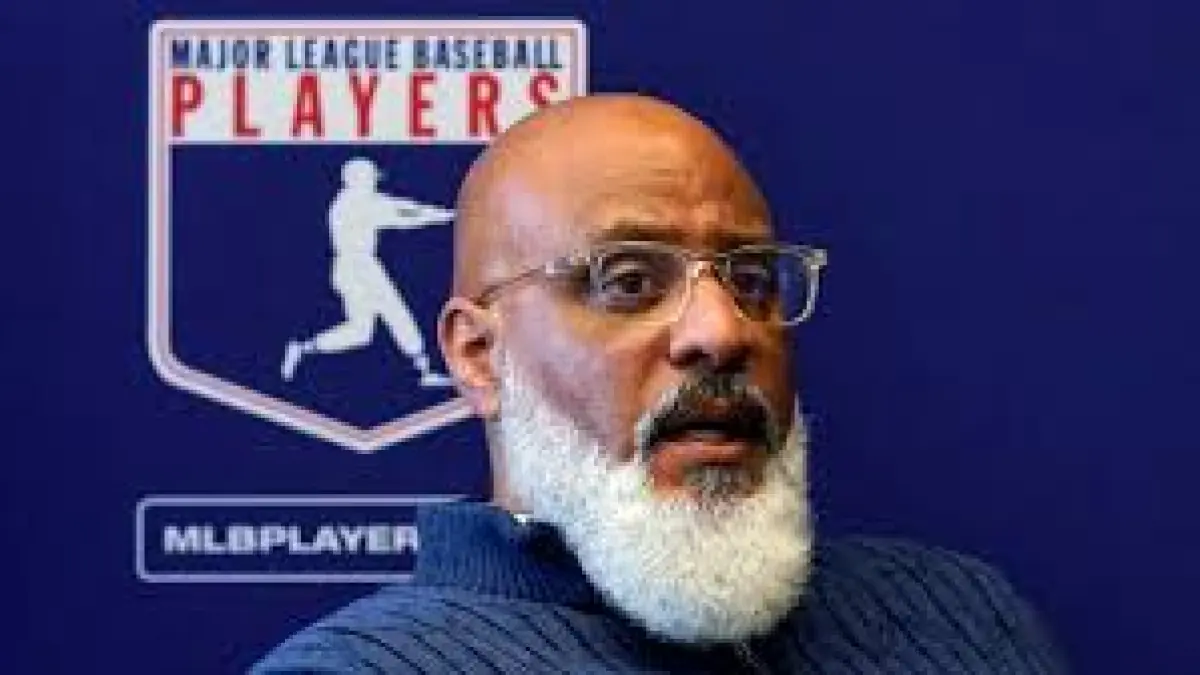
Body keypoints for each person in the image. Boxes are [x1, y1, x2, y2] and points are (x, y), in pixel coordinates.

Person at [250, 94, 1067, 674]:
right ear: (477, 356)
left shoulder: (958, 616)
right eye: (630, 281)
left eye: (751, 280)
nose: (723, 331)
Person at [280, 156, 455, 388]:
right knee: (395, 313)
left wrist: (443, 214)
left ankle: (302, 348)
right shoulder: (356, 204)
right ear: (357, 179)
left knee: (361, 332)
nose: (374, 181)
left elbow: (402, 206)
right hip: (359, 266)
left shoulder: (356, 200)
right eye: (370, 178)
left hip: (350, 267)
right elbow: (405, 217)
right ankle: (424, 371)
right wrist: (446, 216)